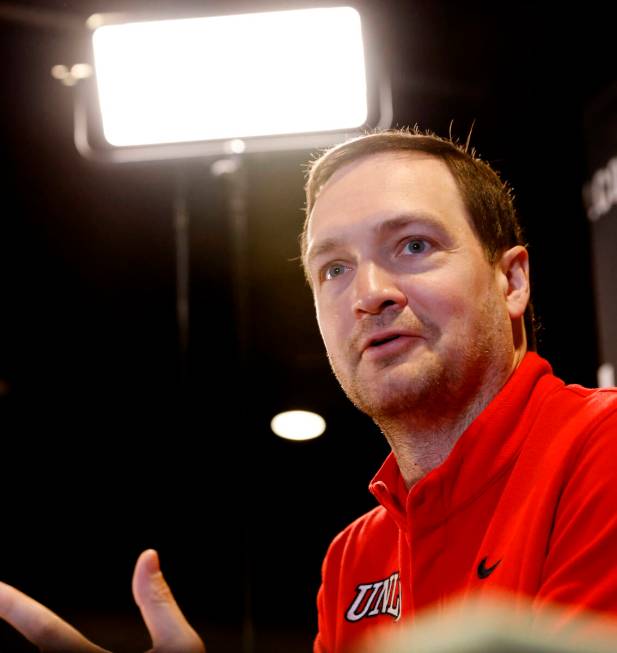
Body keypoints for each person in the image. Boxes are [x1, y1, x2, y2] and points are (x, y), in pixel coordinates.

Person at [1, 128, 617, 653]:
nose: (368, 292)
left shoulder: (602, 450)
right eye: (334, 268)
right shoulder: (353, 558)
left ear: (511, 280)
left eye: (414, 245)